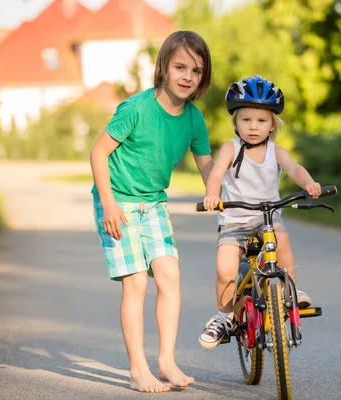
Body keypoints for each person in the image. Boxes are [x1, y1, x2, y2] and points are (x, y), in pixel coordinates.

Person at [90, 30, 213, 392]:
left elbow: (208, 167)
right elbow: (98, 154)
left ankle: (166, 362)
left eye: (196, 70)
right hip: (118, 200)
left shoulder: (194, 119)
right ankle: (137, 370)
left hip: (154, 202)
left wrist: (218, 194)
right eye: (180, 67)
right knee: (137, 283)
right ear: (163, 67)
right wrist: (109, 204)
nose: (187, 76)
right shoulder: (136, 109)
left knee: (169, 274)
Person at [198, 75, 322, 349]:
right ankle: (224, 317)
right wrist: (212, 194)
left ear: (272, 125)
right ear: (236, 122)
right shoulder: (231, 148)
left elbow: (295, 169)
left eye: (261, 121)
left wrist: (309, 183)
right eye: (246, 120)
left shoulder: (276, 152)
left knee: (283, 239)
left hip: (267, 216)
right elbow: (217, 173)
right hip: (235, 219)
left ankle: (289, 290)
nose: (253, 127)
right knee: (225, 268)